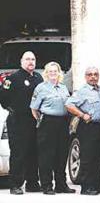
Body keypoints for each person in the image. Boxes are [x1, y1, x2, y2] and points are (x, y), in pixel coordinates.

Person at [0, 51, 42, 194]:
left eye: (33, 59)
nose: (31, 62)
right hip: (18, 121)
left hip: (34, 121)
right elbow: (3, 97)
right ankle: (15, 184)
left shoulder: (38, 77)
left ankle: (32, 183)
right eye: (27, 59)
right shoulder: (13, 78)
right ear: (21, 61)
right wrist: (12, 109)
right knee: (19, 153)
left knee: (33, 152)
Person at [30, 61, 73, 195]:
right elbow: (34, 108)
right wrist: (41, 120)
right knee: (46, 156)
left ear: (59, 73)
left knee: (61, 154)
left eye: (55, 71)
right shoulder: (41, 88)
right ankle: (47, 185)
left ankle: (61, 184)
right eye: (50, 71)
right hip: (47, 122)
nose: (53, 73)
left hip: (63, 122)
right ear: (46, 73)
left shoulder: (63, 87)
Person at [65, 67, 100, 195]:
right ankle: (86, 186)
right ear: (86, 77)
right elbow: (68, 104)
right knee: (87, 157)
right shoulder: (82, 91)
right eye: (90, 74)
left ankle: (98, 184)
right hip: (87, 126)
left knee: (99, 156)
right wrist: (82, 115)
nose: (93, 77)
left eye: (95, 74)